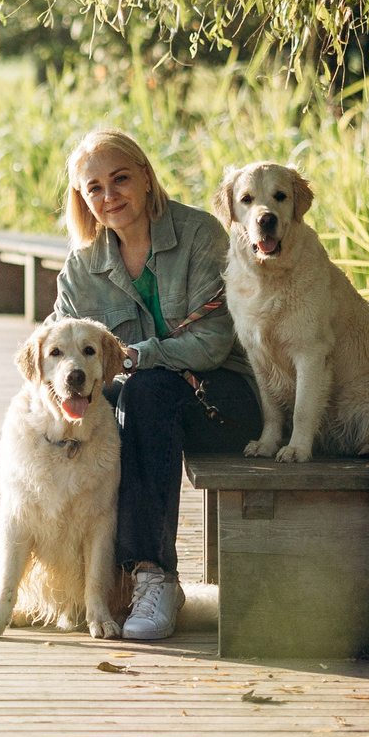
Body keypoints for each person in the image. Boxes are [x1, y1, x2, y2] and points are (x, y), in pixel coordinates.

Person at [50, 129, 260, 640]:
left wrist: (136, 356)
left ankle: (155, 577)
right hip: (143, 413)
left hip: (224, 405)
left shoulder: (198, 235)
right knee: (95, 409)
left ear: (145, 177)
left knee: (142, 391)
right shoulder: (82, 267)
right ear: (82, 198)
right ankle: (93, 583)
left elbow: (213, 342)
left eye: (120, 179)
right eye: (94, 188)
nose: (109, 195)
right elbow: (59, 349)